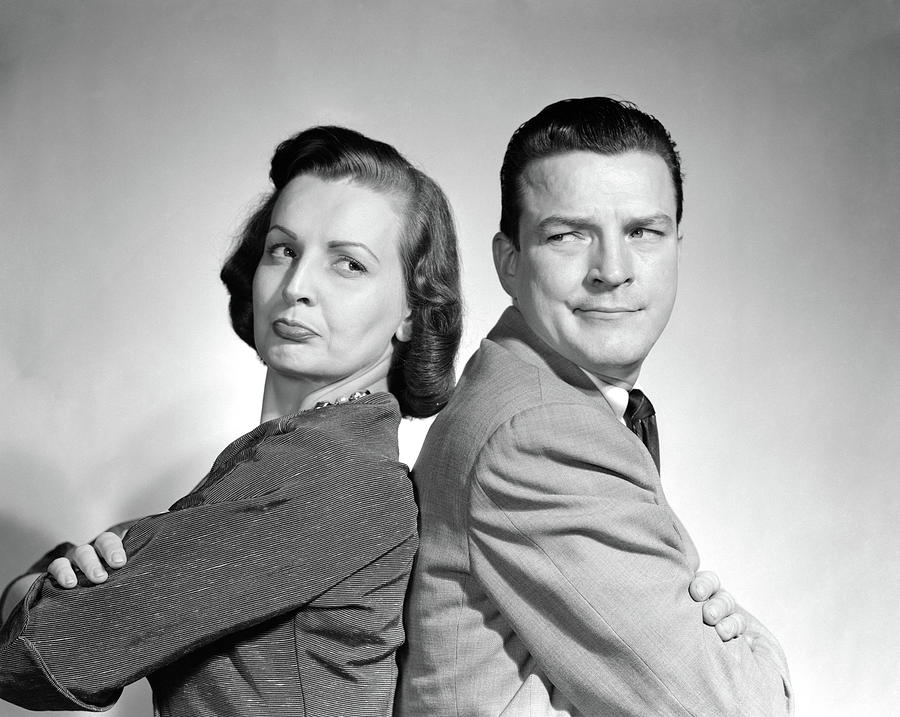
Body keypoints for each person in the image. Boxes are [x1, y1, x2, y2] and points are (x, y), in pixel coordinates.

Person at [0, 125, 462, 715]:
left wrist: (40, 582)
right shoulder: (282, 461)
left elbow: (46, 654)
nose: (297, 286)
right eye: (283, 249)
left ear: (411, 308)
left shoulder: (337, 477)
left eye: (348, 264)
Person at [397, 98, 793, 716]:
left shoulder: (531, 387)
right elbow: (738, 708)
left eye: (643, 232)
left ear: (676, 247)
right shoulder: (541, 433)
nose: (613, 270)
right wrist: (753, 647)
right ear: (508, 262)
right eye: (568, 235)